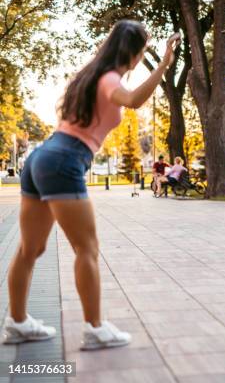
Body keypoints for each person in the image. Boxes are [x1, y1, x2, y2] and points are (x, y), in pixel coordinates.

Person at [3, 20, 180, 350]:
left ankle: (17, 322)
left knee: (31, 249)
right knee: (87, 249)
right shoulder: (110, 78)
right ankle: (95, 328)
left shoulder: (89, 75)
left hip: (42, 156)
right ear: (136, 51)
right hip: (64, 158)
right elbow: (133, 100)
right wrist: (165, 63)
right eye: (144, 50)